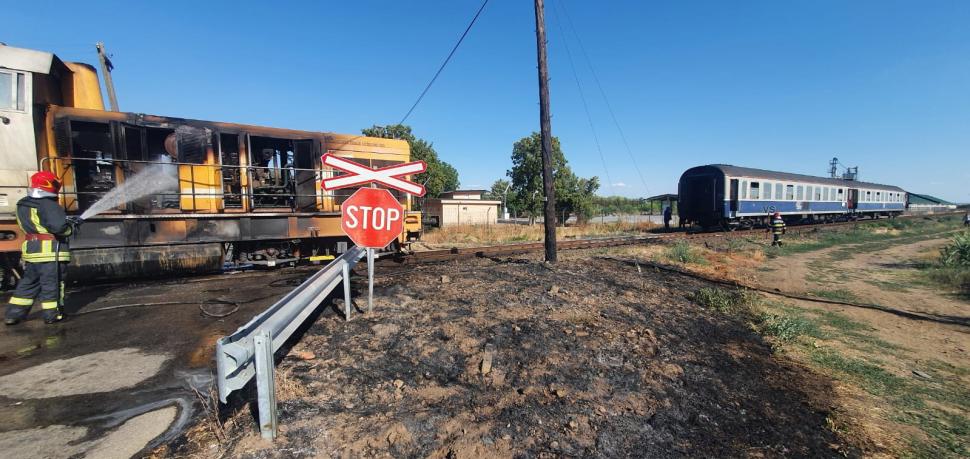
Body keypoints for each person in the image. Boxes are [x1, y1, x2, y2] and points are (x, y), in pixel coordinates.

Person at [5, 171, 80, 325]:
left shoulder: (22, 204)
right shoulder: (50, 204)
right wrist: (71, 227)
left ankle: (13, 314)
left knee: (29, 283)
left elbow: (38, 224)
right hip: (51, 252)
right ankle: (53, 315)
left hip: (32, 251)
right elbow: (59, 228)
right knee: (52, 283)